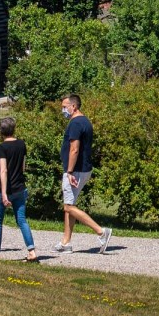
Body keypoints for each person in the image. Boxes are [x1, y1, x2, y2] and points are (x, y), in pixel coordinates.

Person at [55, 94, 112, 254]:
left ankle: (101, 231)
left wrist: (70, 171)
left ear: (74, 107)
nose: (63, 110)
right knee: (69, 205)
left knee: (68, 206)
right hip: (83, 169)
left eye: (65, 107)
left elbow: (74, 149)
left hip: (75, 170)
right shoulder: (85, 121)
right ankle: (66, 242)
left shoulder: (75, 123)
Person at [0, 116, 37, 262]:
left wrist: (3, 193)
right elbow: (23, 166)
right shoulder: (21, 144)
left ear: (0, 130)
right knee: (22, 220)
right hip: (20, 187)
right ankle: (32, 251)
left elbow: (3, 171)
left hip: (6, 189)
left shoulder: (2, 148)